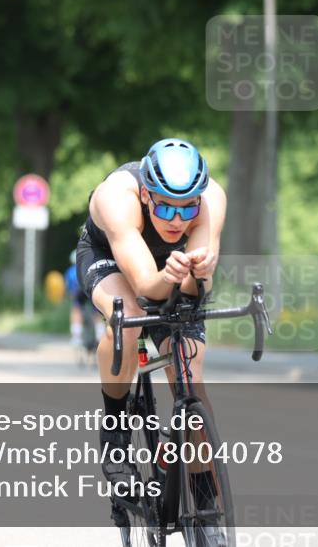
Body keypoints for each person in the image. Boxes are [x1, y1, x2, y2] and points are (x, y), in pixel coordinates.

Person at [74, 138, 225, 515]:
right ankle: (115, 425)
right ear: (145, 194)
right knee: (126, 318)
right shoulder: (117, 198)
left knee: (190, 378)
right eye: (165, 206)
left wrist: (195, 275)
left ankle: (207, 507)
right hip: (110, 256)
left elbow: (194, 289)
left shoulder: (211, 199)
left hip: (169, 268)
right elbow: (146, 287)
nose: (177, 220)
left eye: (188, 207)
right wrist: (173, 275)